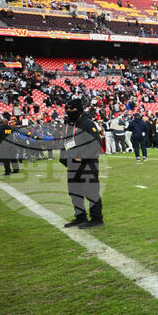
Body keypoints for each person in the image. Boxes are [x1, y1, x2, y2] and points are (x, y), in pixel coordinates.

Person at [60, 98, 104, 228]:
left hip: (87, 163)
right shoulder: (70, 124)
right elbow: (67, 142)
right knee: (74, 191)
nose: (69, 111)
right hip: (73, 164)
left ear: (79, 109)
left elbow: (97, 143)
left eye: (71, 109)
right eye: (67, 109)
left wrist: (83, 157)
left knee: (91, 191)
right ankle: (80, 217)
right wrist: (64, 157)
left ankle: (96, 218)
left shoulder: (87, 123)